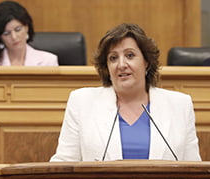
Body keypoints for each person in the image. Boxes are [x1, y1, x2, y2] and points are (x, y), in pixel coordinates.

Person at [50, 23, 201, 162]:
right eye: (113, 58)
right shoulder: (82, 102)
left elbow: (194, 170)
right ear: (107, 67)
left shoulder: (179, 105)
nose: (121, 65)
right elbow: (63, 165)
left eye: (130, 55)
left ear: (146, 62)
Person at [0, 0, 58, 66]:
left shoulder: (48, 61)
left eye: (18, 29)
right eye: (6, 33)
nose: (14, 37)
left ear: (27, 27)